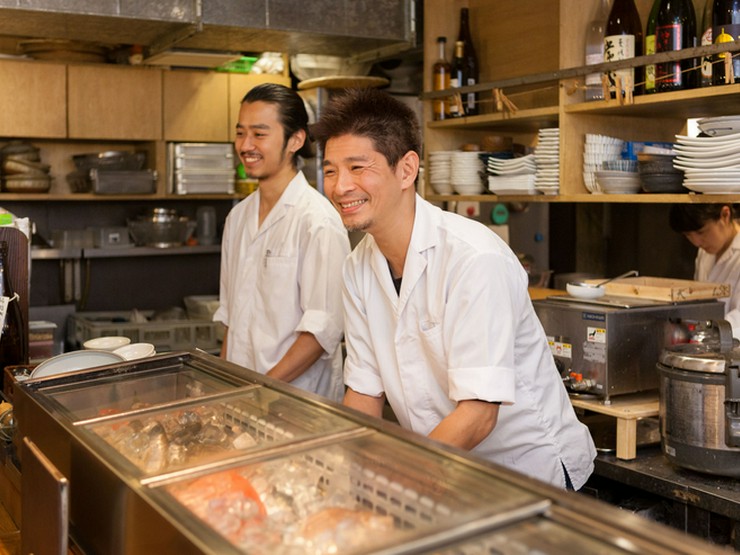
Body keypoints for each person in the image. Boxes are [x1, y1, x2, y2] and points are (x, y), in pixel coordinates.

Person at [312, 88, 596, 490]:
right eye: (330, 171)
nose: (341, 186)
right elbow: (364, 392)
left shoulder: (474, 258)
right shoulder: (357, 268)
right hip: (443, 466)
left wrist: (397, 483)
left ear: (406, 169)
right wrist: (347, 475)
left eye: (358, 167)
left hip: (526, 471)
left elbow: (478, 414)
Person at [214, 83, 350, 401]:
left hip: (298, 403)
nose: (246, 145)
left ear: (296, 140)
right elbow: (231, 320)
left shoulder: (318, 221)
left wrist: (258, 389)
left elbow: (322, 331)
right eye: (240, 133)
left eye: (259, 134)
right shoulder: (238, 218)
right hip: (242, 397)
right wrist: (222, 388)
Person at [669, 203, 740, 337]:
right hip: (707, 343)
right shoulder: (705, 252)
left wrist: (702, 331)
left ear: (725, 215)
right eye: (688, 235)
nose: (696, 242)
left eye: (701, 232)